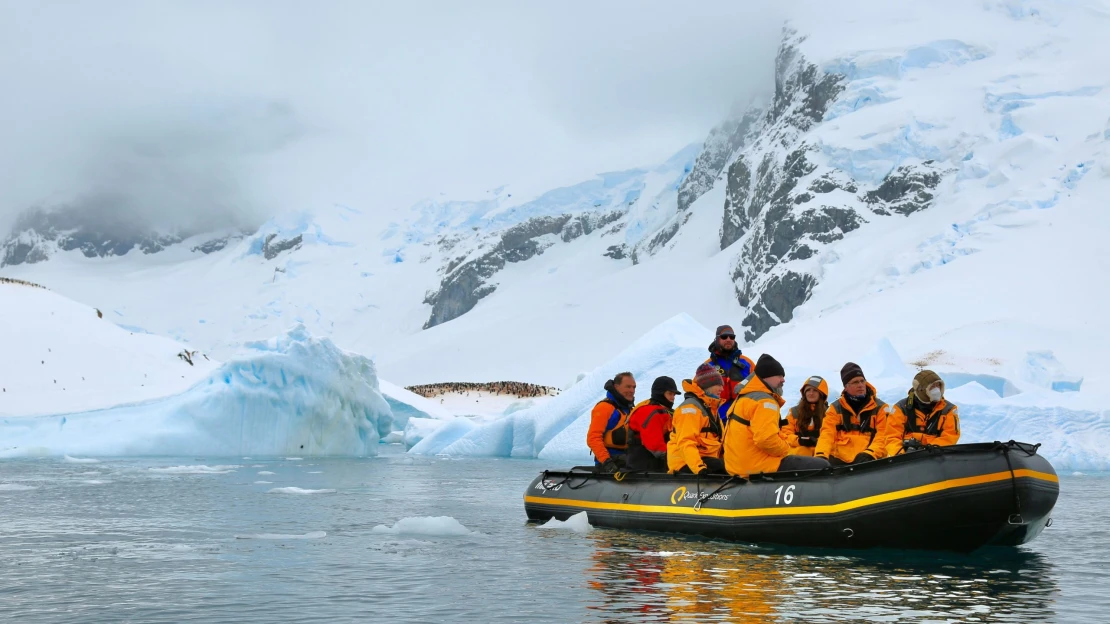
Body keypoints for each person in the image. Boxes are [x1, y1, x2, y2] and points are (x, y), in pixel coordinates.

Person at [723, 354, 830, 477]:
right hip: (757, 465)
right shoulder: (765, 402)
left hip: (737, 465)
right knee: (822, 466)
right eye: (779, 376)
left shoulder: (745, 397)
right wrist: (788, 452)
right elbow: (766, 440)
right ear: (767, 376)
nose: (783, 380)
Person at [815, 362, 890, 465]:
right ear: (846, 387)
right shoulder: (835, 409)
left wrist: (870, 453)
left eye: (862, 381)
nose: (860, 385)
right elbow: (827, 434)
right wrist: (821, 455)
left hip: (869, 459)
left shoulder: (881, 408)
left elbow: (884, 436)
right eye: (855, 382)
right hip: (839, 460)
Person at [667, 364, 726, 475]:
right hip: (686, 463)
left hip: (706, 460)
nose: (722, 389)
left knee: (734, 465)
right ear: (707, 386)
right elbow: (686, 441)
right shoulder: (690, 409)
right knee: (729, 467)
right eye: (718, 385)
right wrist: (699, 467)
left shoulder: (711, 408)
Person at [886, 370, 960, 456]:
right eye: (932, 387)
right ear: (921, 390)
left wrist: (926, 450)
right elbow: (891, 437)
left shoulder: (948, 410)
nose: (937, 390)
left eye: (938, 385)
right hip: (905, 458)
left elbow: (950, 437)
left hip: (935, 457)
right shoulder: (901, 408)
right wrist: (901, 455)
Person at [626, 376, 680, 472]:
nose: (673, 398)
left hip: (655, 463)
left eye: (674, 395)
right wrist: (675, 458)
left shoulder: (665, 411)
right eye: (670, 394)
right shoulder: (651, 412)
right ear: (660, 394)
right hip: (644, 465)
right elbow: (654, 445)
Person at [705, 325, 755, 421]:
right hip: (716, 422)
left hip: (743, 421)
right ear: (717, 339)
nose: (728, 339)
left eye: (732, 337)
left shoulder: (747, 363)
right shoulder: (707, 366)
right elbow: (697, 391)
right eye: (724, 337)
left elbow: (761, 386)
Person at [587, 372, 636, 472]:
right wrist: (607, 462)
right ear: (616, 387)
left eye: (634, 387)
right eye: (628, 387)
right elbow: (593, 438)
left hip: (626, 461)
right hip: (609, 464)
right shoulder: (604, 408)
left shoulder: (629, 410)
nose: (632, 390)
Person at [781, 376, 829, 456]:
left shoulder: (829, 413)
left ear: (821, 394)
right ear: (804, 393)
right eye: (808, 390)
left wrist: (818, 441)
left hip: (822, 451)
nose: (811, 393)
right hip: (799, 451)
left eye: (815, 390)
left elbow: (833, 435)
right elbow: (785, 434)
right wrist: (800, 440)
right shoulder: (794, 412)